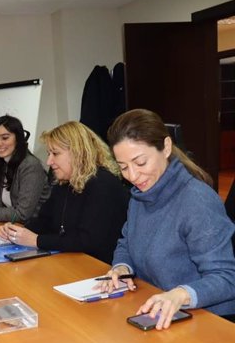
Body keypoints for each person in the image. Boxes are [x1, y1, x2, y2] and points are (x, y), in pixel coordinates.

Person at [99, 109, 235, 329]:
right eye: (123, 167)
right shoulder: (141, 194)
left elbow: (227, 278)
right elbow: (127, 241)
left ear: (167, 148)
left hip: (208, 320)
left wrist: (180, 294)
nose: (132, 176)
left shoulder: (197, 201)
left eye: (140, 162)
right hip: (159, 311)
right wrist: (122, 268)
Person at [0, 121, 129, 264]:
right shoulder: (64, 183)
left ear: (78, 153)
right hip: (71, 261)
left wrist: (36, 240)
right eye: (49, 154)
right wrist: (16, 232)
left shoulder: (103, 184)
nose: (49, 161)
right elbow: (45, 220)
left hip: (99, 267)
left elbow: (88, 241)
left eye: (55, 153)